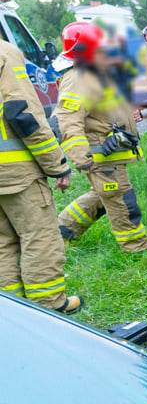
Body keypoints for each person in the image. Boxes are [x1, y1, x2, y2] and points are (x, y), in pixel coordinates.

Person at [54, 21, 147, 253]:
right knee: (121, 198)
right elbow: (69, 119)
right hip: (100, 155)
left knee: (103, 196)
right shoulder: (78, 78)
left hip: (111, 154)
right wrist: (81, 157)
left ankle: (61, 231)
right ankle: (136, 249)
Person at [0, 39, 82, 313]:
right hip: (15, 173)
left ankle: (14, 312)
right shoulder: (5, 53)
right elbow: (21, 113)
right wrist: (56, 164)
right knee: (40, 238)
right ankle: (49, 308)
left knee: (2, 243)